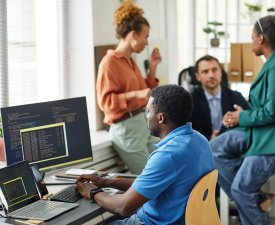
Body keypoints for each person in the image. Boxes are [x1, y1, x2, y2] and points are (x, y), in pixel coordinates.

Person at [76, 84, 215, 225]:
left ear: (160, 118)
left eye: (148, 111)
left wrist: (93, 192)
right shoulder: (199, 140)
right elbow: (150, 184)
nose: (146, 116)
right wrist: (107, 182)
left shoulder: (167, 155)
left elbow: (122, 207)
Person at [210, 15, 275, 225]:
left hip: (269, 140)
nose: (250, 41)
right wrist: (243, 113)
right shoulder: (270, 65)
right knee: (214, 148)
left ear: (261, 39)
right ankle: (256, 197)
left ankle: (248, 194)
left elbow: (272, 112)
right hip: (259, 131)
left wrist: (242, 117)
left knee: (240, 188)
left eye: (252, 36)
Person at [96, 0, 162, 174]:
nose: (147, 42)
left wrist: (153, 67)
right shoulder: (109, 62)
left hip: (142, 124)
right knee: (150, 179)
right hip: (126, 128)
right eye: (145, 36)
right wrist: (135, 94)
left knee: (163, 170)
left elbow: (144, 92)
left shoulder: (130, 61)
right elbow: (105, 103)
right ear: (133, 35)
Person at [190, 55, 249, 140]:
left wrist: (243, 116)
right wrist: (209, 138)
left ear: (221, 72)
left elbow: (247, 126)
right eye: (205, 71)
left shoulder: (237, 97)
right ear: (198, 76)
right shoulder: (190, 101)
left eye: (214, 70)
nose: (211, 75)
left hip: (232, 146)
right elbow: (186, 132)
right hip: (202, 147)